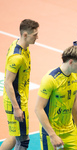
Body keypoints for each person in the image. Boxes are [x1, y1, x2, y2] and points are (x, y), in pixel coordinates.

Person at [35, 46, 77, 150]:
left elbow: (74, 100)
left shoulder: (75, 75)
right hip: (53, 133)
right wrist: (52, 135)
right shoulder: (50, 79)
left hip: (70, 131)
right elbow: (38, 109)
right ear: (71, 62)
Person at [2, 19, 39, 150]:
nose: (37, 37)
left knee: (14, 137)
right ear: (25, 34)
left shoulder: (21, 46)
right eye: (34, 34)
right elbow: (8, 82)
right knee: (23, 141)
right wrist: (17, 108)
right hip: (16, 102)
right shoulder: (17, 57)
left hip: (19, 99)